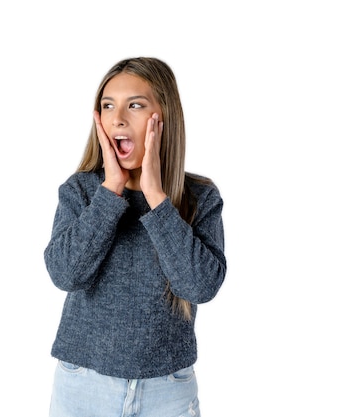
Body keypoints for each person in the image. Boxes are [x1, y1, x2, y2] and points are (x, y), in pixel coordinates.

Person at [43, 57, 227, 416]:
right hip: (84, 386)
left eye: (136, 105)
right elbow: (66, 274)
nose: (118, 118)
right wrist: (110, 191)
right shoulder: (81, 191)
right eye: (108, 105)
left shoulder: (200, 197)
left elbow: (201, 287)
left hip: (168, 391)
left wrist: (157, 199)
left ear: (165, 116)